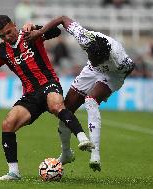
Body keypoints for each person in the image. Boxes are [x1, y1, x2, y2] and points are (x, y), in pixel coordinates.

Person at [0, 15, 94, 181]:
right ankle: (13, 172)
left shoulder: (29, 35)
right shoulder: (2, 50)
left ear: (14, 25)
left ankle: (82, 138)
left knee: (55, 106)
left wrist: (37, 27)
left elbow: (56, 32)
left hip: (48, 83)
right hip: (30, 94)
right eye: (2, 35)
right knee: (8, 124)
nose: (7, 37)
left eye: (9, 32)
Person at [24, 16, 135, 172]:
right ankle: (66, 153)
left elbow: (130, 69)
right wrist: (40, 31)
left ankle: (95, 154)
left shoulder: (120, 60)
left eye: (98, 60)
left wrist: (107, 91)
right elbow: (62, 19)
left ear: (105, 57)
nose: (94, 60)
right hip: (90, 72)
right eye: (92, 57)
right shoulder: (84, 37)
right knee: (66, 110)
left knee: (91, 100)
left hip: (113, 76)